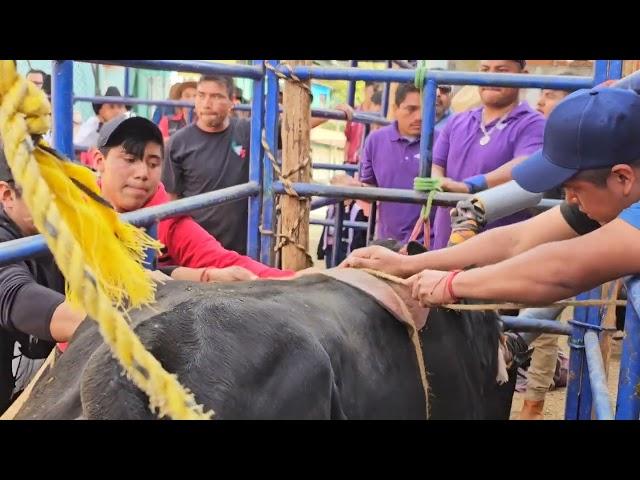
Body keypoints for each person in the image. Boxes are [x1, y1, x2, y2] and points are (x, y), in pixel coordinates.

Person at [342, 88, 640, 379]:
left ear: (623, 177)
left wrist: (454, 284)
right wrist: (407, 264)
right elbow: (517, 239)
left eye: (574, 189)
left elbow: (563, 270)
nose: (570, 199)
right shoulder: (606, 197)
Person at [430, 60, 545, 250]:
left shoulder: (533, 123)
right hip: (446, 243)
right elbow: (437, 165)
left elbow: (526, 164)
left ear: (523, 75)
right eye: (485, 70)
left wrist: (470, 186)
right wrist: (440, 184)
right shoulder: (457, 121)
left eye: (501, 70)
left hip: (497, 251)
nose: (491, 77)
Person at [357, 83, 424, 245]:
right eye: (411, 109)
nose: (419, 116)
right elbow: (368, 187)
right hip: (388, 240)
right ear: (395, 109)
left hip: (428, 243)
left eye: (425, 109)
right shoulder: (376, 140)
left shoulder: (442, 141)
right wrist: (348, 186)